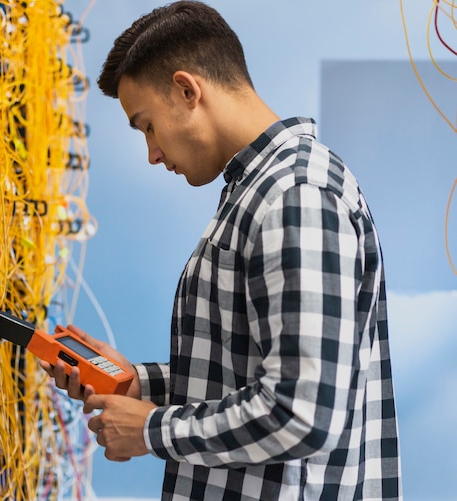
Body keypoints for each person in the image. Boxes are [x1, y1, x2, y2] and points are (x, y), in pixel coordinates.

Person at [39, 1, 402, 499]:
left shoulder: (297, 196)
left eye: (147, 125)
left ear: (188, 90)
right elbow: (253, 370)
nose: (152, 153)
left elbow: (301, 413)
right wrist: (137, 386)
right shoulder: (259, 192)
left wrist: (151, 430)